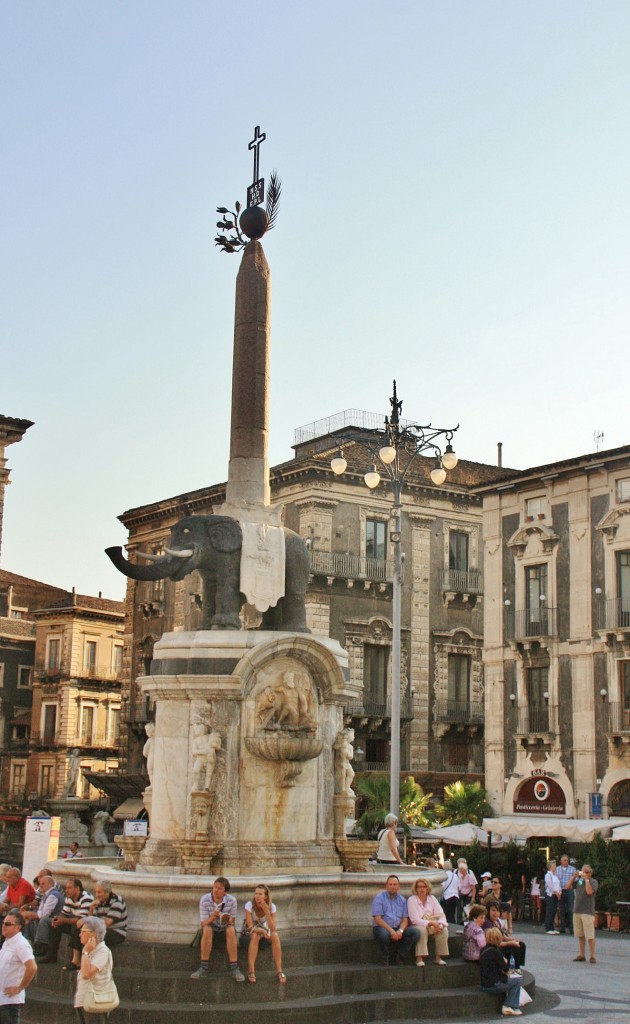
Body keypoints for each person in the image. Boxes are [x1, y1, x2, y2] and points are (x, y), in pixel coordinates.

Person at [190, 876, 244, 982]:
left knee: (231, 930)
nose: (216, 890)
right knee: (207, 929)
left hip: (224, 927)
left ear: (225, 892)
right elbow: (203, 923)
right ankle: (203, 967)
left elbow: (232, 920)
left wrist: (228, 920)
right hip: (211, 926)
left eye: (220, 888)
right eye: (215, 887)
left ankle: (234, 968)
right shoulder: (205, 899)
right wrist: (213, 917)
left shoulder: (232, 900)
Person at [41, 878, 92, 967]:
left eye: (69, 888)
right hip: (77, 922)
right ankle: (51, 956)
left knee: (76, 928)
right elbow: (64, 914)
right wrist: (58, 920)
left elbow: (82, 919)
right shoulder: (69, 898)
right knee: (56, 925)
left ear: (77, 889)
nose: (66, 890)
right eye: (66, 888)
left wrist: (63, 920)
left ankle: (75, 961)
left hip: (87, 925)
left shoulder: (86, 898)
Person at [371, 875, 420, 965]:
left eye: (395, 884)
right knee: (383, 934)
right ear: (386, 886)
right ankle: (385, 957)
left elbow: (405, 919)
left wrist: (400, 931)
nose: (392, 886)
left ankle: (400, 956)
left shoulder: (402, 900)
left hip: (397, 928)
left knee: (415, 932)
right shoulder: (379, 898)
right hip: (383, 927)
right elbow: (378, 919)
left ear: (398, 886)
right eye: (390, 884)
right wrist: (391, 931)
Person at [74, 915, 115, 1024]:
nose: (80, 934)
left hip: (95, 1003)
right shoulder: (92, 950)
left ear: (94, 934)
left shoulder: (102, 951)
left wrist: (85, 952)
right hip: (84, 1001)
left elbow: (87, 974)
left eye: (83, 931)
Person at [242, 884, 285, 984]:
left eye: (260, 894)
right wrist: (260, 931)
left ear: (265, 896)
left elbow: (273, 928)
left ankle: (279, 970)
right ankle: (251, 971)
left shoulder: (272, 907)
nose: (257, 896)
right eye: (256, 894)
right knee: (255, 935)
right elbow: (249, 927)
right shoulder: (249, 905)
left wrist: (267, 912)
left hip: (265, 935)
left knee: (275, 935)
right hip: (249, 935)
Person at [0, 912, 37, 1024]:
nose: (4, 926)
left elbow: (32, 967)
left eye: (8, 924)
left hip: (10, 1002)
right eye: (3, 923)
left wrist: (19, 988)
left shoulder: (21, 944)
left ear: (18, 927)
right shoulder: (7, 942)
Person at [479, 926, 523, 1017]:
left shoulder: (484, 950)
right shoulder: (496, 952)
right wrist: (505, 963)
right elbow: (506, 969)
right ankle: (509, 1005)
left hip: (484, 983)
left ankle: (510, 1004)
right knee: (517, 981)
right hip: (493, 984)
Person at [407, 877, 449, 967]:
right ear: (416, 888)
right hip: (417, 925)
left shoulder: (432, 898)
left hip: (432, 924)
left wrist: (440, 925)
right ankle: (419, 958)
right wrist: (430, 923)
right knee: (421, 930)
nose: (422, 889)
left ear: (427, 888)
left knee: (443, 929)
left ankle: (438, 957)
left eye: (424, 887)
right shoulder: (412, 900)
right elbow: (414, 920)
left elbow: (441, 914)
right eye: (419, 887)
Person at [21, 876, 64, 957]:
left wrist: (29, 914)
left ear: (50, 884)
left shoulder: (53, 895)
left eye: (43, 884)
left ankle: (40, 945)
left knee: (41, 919)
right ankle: (29, 941)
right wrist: (30, 914)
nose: (40, 886)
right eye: (40, 884)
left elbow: (45, 914)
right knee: (31, 917)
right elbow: (40, 910)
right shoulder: (46, 894)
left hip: (56, 919)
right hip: (48, 917)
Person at [482, 902, 527, 971]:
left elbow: (503, 936)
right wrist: (509, 943)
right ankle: (508, 968)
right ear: (488, 911)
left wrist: (511, 939)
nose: (496, 913)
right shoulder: (487, 924)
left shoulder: (497, 921)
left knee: (521, 944)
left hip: (501, 942)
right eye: (493, 910)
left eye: (497, 911)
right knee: (510, 947)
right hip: (493, 945)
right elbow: (494, 942)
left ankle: (517, 967)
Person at [569, 864, 598, 963]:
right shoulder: (580, 881)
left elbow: (589, 892)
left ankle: (592, 956)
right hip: (577, 910)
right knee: (580, 934)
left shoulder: (593, 882)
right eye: (583, 872)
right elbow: (567, 886)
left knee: (590, 935)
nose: (584, 874)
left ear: (590, 873)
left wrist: (586, 880)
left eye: (586, 872)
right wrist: (574, 877)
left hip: (587, 911)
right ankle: (582, 954)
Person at [88, 883, 127, 949]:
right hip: (102, 929)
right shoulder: (99, 901)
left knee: (96, 935)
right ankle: (77, 958)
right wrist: (91, 910)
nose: (97, 895)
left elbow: (107, 923)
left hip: (116, 932)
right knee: (81, 932)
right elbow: (91, 921)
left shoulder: (116, 902)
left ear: (107, 892)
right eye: (96, 892)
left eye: (99, 892)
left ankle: (93, 957)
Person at [555, 854, 576, 935]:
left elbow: (576, 879)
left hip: (569, 890)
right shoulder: (557, 869)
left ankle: (571, 928)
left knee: (570, 909)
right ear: (561, 861)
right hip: (561, 890)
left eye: (567, 860)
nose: (566, 862)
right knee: (561, 909)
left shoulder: (572, 869)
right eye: (564, 860)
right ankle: (562, 927)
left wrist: (574, 877)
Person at [456, 859, 477, 924]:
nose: (460, 870)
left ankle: (467, 922)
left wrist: (473, 898)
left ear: (465, 869)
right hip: (461, 894)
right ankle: (459, 922)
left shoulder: (469, 877)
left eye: (461, 869)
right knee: (459, 909)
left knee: (466, 909)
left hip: (468, 895)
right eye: (460, 869)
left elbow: (473, 888)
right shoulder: (461, 877)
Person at [544, 860, 561, 934]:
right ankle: (548, 928)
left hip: (555, 895)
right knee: (550, 911)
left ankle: (552, 927)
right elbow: (550, 885)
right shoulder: (548, 875)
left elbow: (558, 885)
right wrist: (555, 892)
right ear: (550, 867)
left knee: (554, 911)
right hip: (550, 894)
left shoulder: (555, 876)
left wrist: (559, 892)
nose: (555, 867)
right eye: (554, 866)